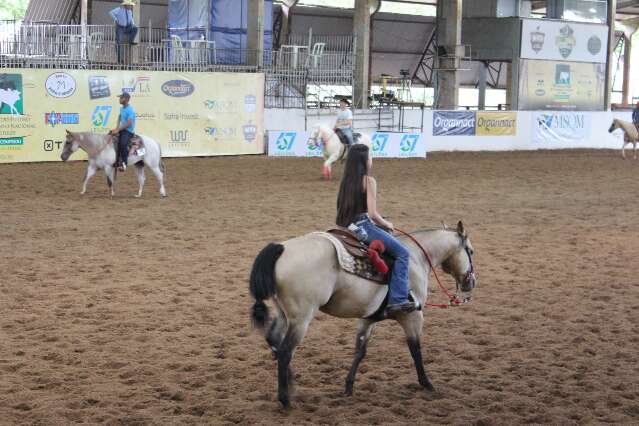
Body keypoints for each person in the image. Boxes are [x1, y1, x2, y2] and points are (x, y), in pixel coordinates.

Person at [336, 144, 415, 317]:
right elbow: (372, 214)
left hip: (345, 226)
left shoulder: (346, 182)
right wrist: (386, 223)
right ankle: (398, 300)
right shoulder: (369, 181)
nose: (372, 159)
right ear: (364, 161)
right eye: (370, 156)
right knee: (403, 254)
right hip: (363, 226)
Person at [109, 92, 136, 171]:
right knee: (110, 139)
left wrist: (118, 129)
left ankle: (124, 163)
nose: (119, 99)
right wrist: (116, 128)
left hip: (128, 131)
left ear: (126, 99)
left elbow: (129, 123)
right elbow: (119, 117)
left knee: (123, 144)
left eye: (121, 98)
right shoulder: (122, 108)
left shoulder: (130, 110)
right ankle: (115, 160)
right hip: (121, 129)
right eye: (120, 97)